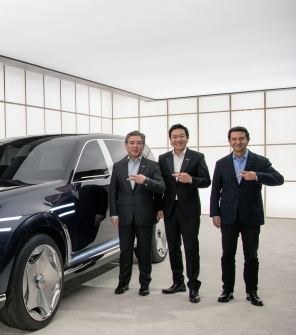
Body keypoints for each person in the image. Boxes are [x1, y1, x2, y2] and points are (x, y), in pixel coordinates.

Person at [210, 126, 284, 306]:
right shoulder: (222, 163)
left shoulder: (259, 161)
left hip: (251, 216)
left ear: (247, 140)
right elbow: (215, 191)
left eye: (241, 138)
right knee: (227, 255)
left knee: (251, 256)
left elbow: (279, 179)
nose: (238, 142)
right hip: (228, 216)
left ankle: (252, 292)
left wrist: (256, 176)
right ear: (229, 141)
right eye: (234, 139)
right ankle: (227, 290)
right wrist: (215, 213)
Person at [155, 124, 211, 303]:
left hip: (189, 209)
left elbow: (206, 181)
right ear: (170, 139)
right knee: (173, 247)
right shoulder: (163, 159)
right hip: (170, 209)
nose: (178, 139)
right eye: (174, 137)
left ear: (187, 137)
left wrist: (191, 180)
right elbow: (159, 185)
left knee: (191, 248)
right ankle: (178, 282)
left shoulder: (197, 157)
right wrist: (159, 206)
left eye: (181, 136)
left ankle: (193, 287)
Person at [109, 131, 165, 296]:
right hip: (124, 215)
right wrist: (114, 214)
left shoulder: (152, 166)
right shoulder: (118, 166)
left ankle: (145, 284)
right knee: (125, 251)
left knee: (144, 251)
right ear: (126, 145)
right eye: (132, 143)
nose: (135, 146)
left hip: (145, 215)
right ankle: (123, 283)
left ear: (143, 145)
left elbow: (162, 187)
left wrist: (146, 181)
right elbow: (113, 192)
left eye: (139, 143)